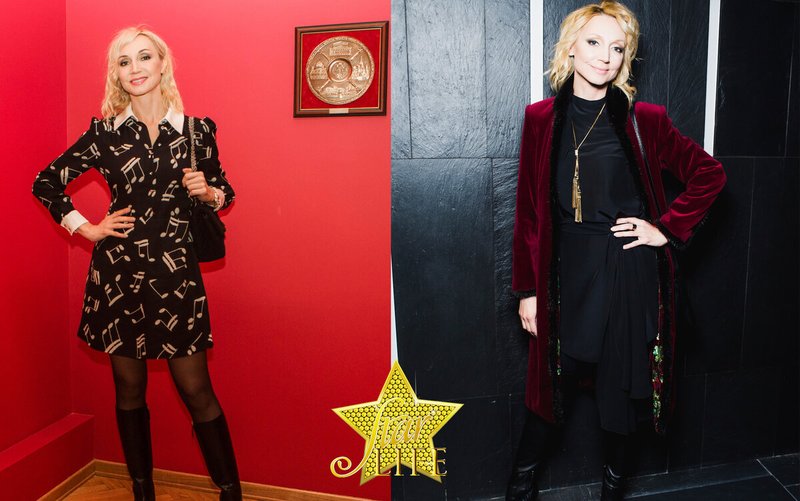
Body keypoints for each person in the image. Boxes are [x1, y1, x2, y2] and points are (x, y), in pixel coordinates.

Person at [507, 2, 726, 500]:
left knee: (620, 396)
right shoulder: (540, 119)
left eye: (617, 48)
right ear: (570, 47)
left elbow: (709, 174)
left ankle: (612, 490)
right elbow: (529, 212)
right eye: (594, 42)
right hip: (566, 274)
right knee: (551, 390)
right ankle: (519, 487)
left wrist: (665, 229)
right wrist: (526, 291)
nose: (605, 56)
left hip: (627, 273)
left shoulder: (644, 120)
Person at [32, 27, 241, 501]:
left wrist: (208, 193)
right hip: (118, 274)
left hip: (176, 273)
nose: (135, 68)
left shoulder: (196, 130)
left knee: (196, 389)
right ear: (117, 74)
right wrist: (86, 228)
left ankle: (230, 491)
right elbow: (46, 181)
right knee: (129, 389)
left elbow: (225, 191)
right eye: (124, 62)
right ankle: (141, 490)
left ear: (163, 64)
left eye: (144, 57)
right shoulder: (105, 134)